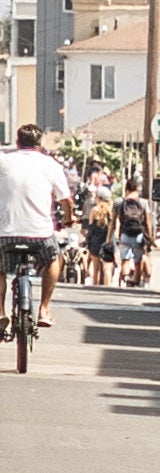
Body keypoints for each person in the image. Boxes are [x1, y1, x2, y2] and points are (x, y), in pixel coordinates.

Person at [0, 125, 76, 329]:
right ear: (40, 143)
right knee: (54, 258)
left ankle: (0, 312)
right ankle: (44, 308)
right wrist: (68, 220)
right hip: (40, 234)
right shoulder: (51, 164)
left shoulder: (3, 161)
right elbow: (66, 202)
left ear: (18, 142)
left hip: (5, 233)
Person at [114, 184, 152, 289]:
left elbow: (117, 220)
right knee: (138, 261)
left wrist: (115, 235)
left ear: (126, 189)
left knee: (125, 260)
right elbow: (147, 222)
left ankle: (126, 279)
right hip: (139, 234)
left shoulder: (121, 202)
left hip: (125, 234)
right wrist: (149, 236)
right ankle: (135, 281)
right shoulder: (143, 203)